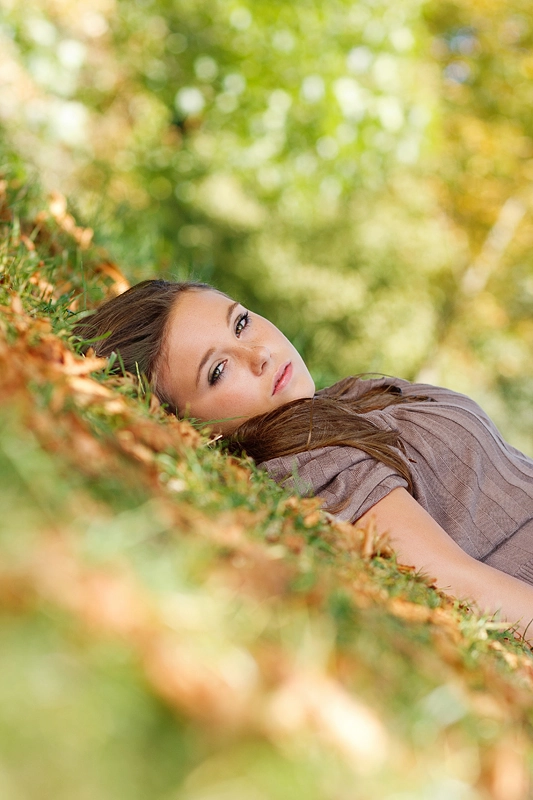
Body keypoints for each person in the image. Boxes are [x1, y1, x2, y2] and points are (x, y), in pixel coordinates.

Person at [75, 279, 533, 640]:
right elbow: (455, 580)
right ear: (186, 425)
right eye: (218, 370)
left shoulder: (340, 401)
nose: (257, 354)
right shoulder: (308, 461)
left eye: (240, 323)